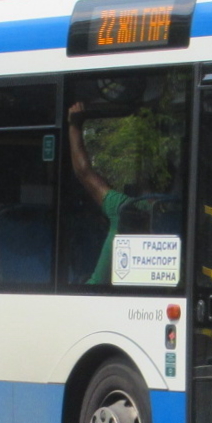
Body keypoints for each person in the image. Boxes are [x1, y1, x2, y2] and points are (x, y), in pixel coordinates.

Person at [67, 101, 132, 285]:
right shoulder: (173, 215)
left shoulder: (124, 209)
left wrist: (74, 125)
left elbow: (83, 171)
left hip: (91, 294)